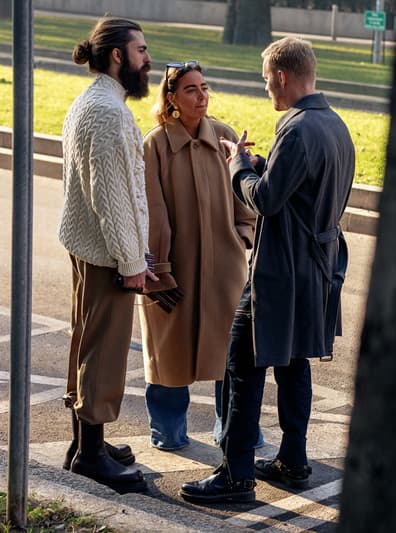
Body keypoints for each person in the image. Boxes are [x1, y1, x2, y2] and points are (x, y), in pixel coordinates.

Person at [180, 36, 355, 504]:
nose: (265, 91)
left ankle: (235, 475)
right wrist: (260, 162)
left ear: (281, 76)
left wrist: (238, 165)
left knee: (242, 365)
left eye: (265, 82)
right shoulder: (334, 124)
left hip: (280, 271)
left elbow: (267, 199)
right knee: (295, 365)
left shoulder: (295, 128)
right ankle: (294, 461)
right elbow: (302, 187)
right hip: (318, 269)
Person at [57, 16, 156, 494]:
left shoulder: (90, 102)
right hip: (107, 257)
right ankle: (91, 457)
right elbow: (112, 197)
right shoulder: (108, 112)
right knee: (103, 354)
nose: (147, 59)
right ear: (117, 55)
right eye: (140, 51)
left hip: (87, 249)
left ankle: (84, 445)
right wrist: (132, 263)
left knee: (85, 343)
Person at [139, 61, 256, 451]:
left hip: (225, 267)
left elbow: (242, 193)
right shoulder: (154, 144)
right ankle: (168, 433)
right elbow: (152, 212)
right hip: (176, 268)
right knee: (168, 356)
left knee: (231, 352)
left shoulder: (222, 134)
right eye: (191, 89)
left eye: (205, 88)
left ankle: (235, 431)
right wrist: (160, 269)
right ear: (171, 98)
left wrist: (244, 231)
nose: (201, 96)